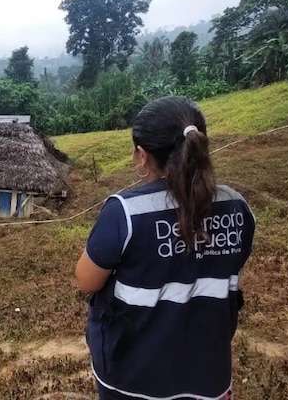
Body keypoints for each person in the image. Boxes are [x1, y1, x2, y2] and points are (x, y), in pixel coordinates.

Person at [75, 96, 255, 400]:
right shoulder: (237, 206)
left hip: (134, 378)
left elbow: (86, 280)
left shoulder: (126, 213)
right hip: (209, 374)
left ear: (143, 155)